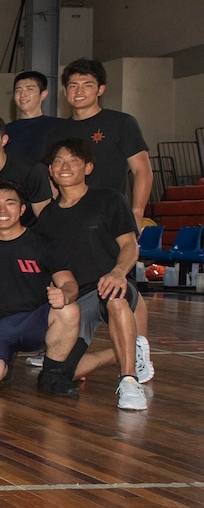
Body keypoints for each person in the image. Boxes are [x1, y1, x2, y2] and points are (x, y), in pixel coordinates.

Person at [42, 57, 156, 367]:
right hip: (72, 219)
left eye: (87, 85)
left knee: (123, 284)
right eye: (73, 85)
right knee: (77, 284)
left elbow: (142, 169)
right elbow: (53, 177)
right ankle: (64, 349)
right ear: (65, 91)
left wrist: (136, 210)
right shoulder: (59, 130)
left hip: (112, 217)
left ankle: (139, 353)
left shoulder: (121, 123)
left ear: (101, 89)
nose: (79, 91)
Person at [34, 138, 149, 409]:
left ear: (88, 167)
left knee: (115, 299)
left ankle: (129, 381)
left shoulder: (110, 200)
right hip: (79, 299)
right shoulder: (47, 217)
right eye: (58, 161)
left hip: (115, 284)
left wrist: (119, 272)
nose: (65, 166)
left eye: (73, 161)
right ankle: (122, 352)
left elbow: (129, 245)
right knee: (59, 375)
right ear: (50, 170)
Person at [0, 182, 82, 395]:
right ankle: (4, 359)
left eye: (10, 203)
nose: (3, 210)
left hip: (34, 322)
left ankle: (51, 375)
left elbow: (69, 283)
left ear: (22, 209)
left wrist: (64, 295)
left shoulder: (43, 244)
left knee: (68, 309)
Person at [4, 70, 59, 165]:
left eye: (29, 89)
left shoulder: (58, 126)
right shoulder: (5, 130)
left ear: (43, 94)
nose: (23, 95)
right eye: (18, 90)